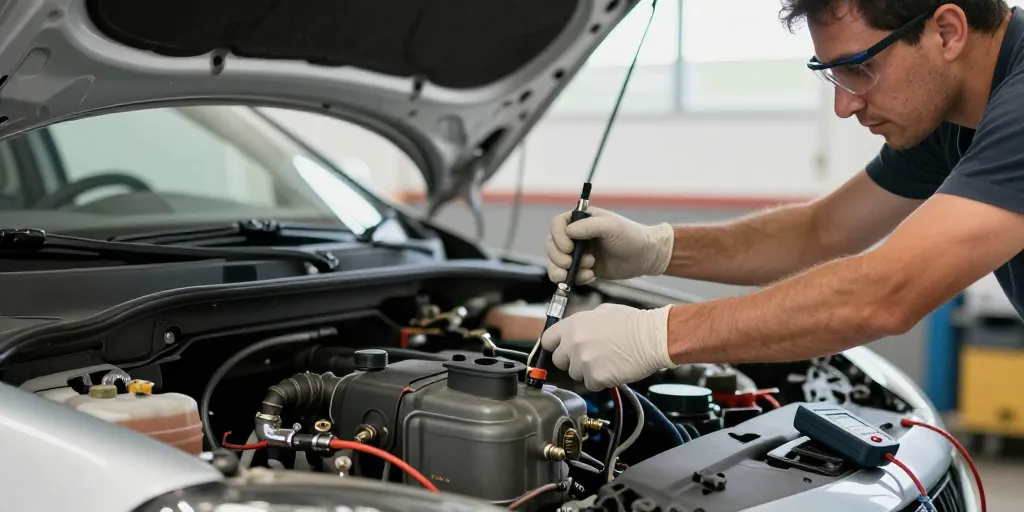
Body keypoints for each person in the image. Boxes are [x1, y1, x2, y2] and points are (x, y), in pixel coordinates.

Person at [540, 0, 1024, 392]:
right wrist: (656, 247)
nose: (843, 104)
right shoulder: (950, 123)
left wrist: (656, 336)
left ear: (947, 31)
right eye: (832, 74)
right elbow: (823, 231)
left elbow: (885, 293)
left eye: (859, 68)